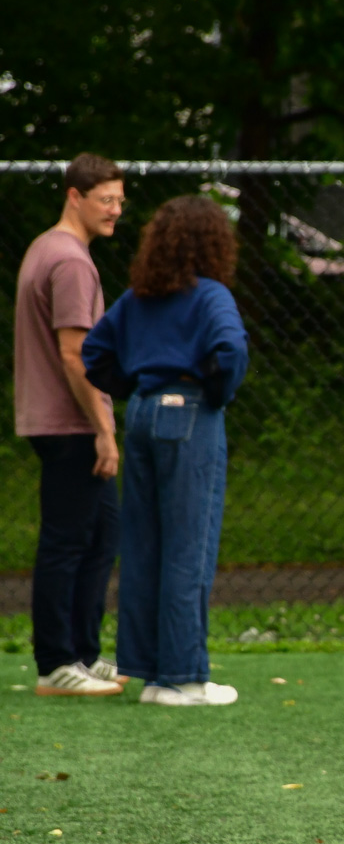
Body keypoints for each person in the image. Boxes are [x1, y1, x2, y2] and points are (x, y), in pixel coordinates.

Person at [82, 196, 248, 706]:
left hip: (145, 415)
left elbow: (95, 353)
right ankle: (183, 678)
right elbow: (231, 351)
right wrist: (213, 395)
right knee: (188, 550)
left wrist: (137, 387)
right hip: (190, 414)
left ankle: (152, 675)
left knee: (146, 547)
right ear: (214, 243)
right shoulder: (211, 295)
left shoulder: (136, 298)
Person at [14, 153, 126, 697]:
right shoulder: (71, 261)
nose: (116, 211)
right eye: (106, 199)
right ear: (74, 196)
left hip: (63, 421)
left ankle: (83, 653)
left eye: (121, 200)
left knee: (103, 534)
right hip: (69, 424)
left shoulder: (46, 247)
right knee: (66, 541)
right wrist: (103, 427)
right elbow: (74, 352)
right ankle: (55, 663)